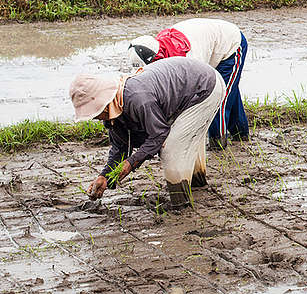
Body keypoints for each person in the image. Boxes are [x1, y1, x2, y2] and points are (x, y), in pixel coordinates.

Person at [71, 57, 225, 209]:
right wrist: (105, 176)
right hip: (187, 89)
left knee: (170, 149)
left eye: (94, 113)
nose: (95, 118)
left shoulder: (138, 99)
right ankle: (197, 183)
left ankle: (181, 204)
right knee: (185, 141)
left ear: (103, 104)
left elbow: (159, 135)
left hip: (205, 87)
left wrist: (132, 162)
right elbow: (121, 146)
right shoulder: (115, 108)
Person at [127, 17, 248, 149]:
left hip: (230, 45)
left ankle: (217, 143)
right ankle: (241, 134)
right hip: (208, 42)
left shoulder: (188, 60)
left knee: (220, 98)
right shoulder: (153, 48)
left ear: (157, 60)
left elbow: (203, 92)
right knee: (230, 90)